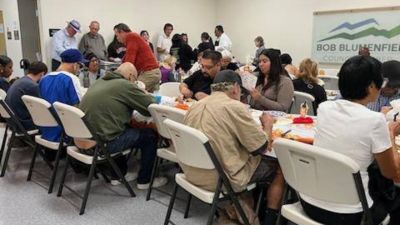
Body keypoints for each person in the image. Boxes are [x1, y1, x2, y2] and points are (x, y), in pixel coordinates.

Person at [300, 55, 400, 225]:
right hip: (349, 214)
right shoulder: (376, 121)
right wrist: (390, 131)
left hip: (309, 201)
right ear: (371, 86)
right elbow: (391, 173)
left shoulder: (324, 108)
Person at [183, 70, 284, 225]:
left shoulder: (195, 106)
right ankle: (269, 219)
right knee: (281, 166)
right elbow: (261, 147)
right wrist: (268, 125)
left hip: (191, 171)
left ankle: (237, 210)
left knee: (241, 157)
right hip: (218, 179)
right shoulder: (234, 107)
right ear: (236, 88)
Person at [78, 62, 167, 189]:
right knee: (150, 136)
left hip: (84, 140)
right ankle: (145, 181)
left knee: (121, 128)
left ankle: (118, 175)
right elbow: (150, 107)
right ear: (131, 77)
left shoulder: (100, 81)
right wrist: (142, 93)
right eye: (135, 80)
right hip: (102, 144)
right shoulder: (125, 85)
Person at [39, 49, 85, 142]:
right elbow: (79, 106)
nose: (79, 70)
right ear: (75, 65)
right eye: (80, 66)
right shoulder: (71, 78)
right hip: (65, 132)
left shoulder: (44, 79)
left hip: (47, 130)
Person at [113, 23, 161, 92]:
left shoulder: (131, 37)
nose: (117, 38)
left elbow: (129, 63)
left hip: (149, 73)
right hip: (153, 72)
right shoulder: (133, 38)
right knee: (150, 99)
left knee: (132, 92)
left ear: (122, 32)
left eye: (117, 35)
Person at [5, 61, 48, 130]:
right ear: (42, 74)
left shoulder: (19, 81)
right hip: (23, 124)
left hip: (12, 122)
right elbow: (41, 109)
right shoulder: (32, 86)